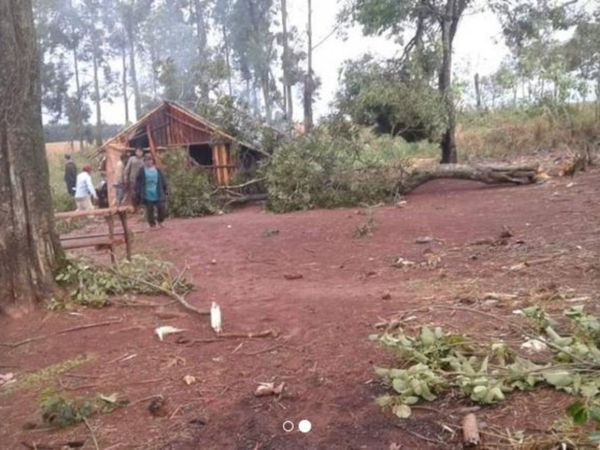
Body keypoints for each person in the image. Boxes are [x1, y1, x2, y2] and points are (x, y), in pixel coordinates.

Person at [134, 155, 168, 228]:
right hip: (147, 192)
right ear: (144, 162)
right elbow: (138, 182)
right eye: (146, 161)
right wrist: (137, 192)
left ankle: (160, 221)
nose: (148, 162)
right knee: (150, 209)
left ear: (152, 161)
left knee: (161, 207)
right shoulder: (142, 170)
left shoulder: (157, 170)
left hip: (157, 191)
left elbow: (162, 180)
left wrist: (165, 189)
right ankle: (152, 224)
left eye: (150, 160)